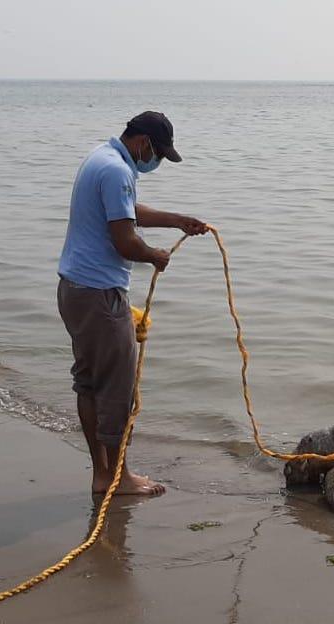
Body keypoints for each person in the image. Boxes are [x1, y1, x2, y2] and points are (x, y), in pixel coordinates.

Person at [57, 111, 208, 496]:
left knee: (89, 385)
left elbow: (127, 212)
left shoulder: (101, 159)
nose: (155, 161)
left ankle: (102, 474)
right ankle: (119, 478)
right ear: (142, 143)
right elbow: (125, 241)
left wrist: (177, 220)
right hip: (99, 296)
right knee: (117, 391)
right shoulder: (117, 171)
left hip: (75, 290)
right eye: (157, 153)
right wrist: (155, 256)